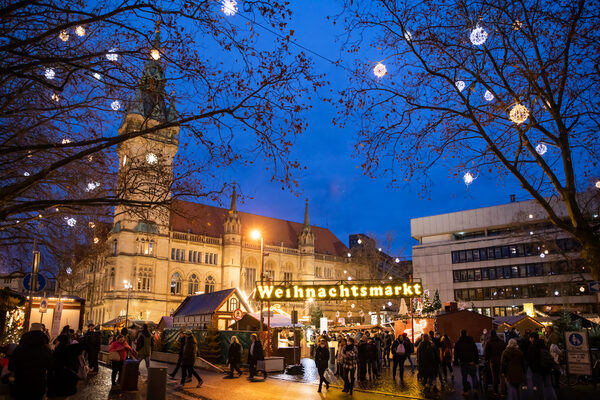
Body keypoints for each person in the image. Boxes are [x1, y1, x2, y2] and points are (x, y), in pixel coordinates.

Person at [9, 323, 53, 400]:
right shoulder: (45, 350)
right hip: (38, 384)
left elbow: (11, 366)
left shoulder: (19, 348)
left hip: (20, 384)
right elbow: (51, 367)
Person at [526, 332, 557, 400]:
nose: (530, 340)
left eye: (530, 338)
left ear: (532, 338)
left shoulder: (533, 346)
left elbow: (531, 359)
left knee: (539, 386)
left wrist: (533, 369)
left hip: (538, 370)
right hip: (546, 368)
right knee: (548, 385)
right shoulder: (544, 345)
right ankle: (552, 397)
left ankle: (542, 398)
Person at [454, 329, 479, 396]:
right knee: (474, 376)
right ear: (467, 333)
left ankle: (466, 391)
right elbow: (475, 352)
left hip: (463, 362)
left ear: (460, 334)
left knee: (464, 377)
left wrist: (456, 362)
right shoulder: (471, 342)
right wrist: (476, 361)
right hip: (471, 362)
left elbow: (456, 354)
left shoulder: (458, 343)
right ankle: (475, 389)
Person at [484, 329, 506, 394]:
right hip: (501, 361)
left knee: (494, 376)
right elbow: (505, 351)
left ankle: (495, 391)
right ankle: (503, 391)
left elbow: (486, 353)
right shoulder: (502, 342)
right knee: (502, 376)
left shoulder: (489, 342)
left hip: (493, 361)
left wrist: (486, 359)